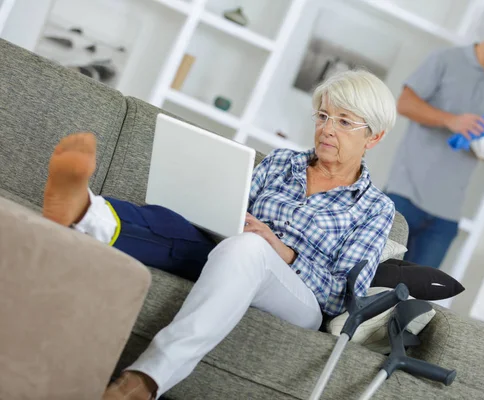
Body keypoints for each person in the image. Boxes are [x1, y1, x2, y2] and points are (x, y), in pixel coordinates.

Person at [41, 69, 397, 400]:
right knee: (179, 225)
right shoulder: (281, 162)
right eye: (322, 116)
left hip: (300, 299)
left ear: (374, 137)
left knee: (250, 248)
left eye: (344, 122)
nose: (327, 129)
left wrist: (281, 250)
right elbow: (233, 215)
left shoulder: (375, 209)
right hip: (235, 257)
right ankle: (87, 211)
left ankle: (146, 379)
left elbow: (341, 298)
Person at [384, 11, 484, 269]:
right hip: (404, 197)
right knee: (370, 282)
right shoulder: (445, 59)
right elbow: (404, 104)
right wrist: (450, 120)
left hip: (446, 217)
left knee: (415, 303)